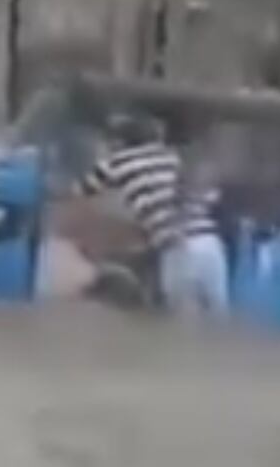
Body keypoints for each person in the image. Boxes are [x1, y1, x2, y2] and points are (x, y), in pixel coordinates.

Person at [79, 114, 229, 317]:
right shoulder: (172, 156)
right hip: (210, 243)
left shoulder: (116, 161)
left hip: (177, 248)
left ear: (119, 141)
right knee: (220, 325)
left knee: (180, 329)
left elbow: (81, 191)